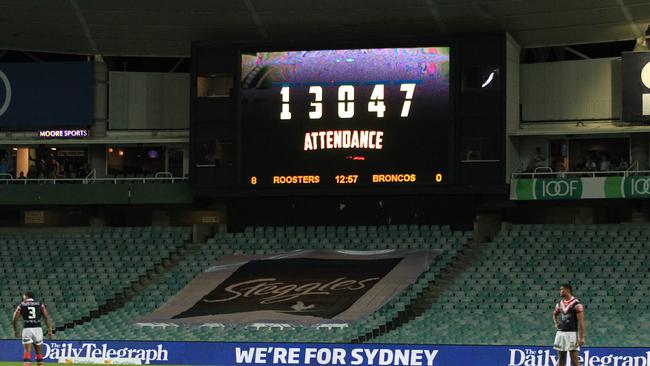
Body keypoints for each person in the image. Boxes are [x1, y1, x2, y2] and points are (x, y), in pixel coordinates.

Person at [12, 291, 53, 366]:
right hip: (37, 329)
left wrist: (15, 330)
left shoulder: (22, 305)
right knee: (39, 352)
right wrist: (49, 330)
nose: (23, 298)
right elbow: (46, 317)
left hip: (27, 329)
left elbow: (15, 318)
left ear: (27, 297)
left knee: (27, 351)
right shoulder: (40, 304)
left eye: (24, 297)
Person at [552, 284, 585, 366]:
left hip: (572, 333)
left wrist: (581, 338)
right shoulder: (559, 304)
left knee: (574, 359)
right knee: (561, 359)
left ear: (567, 290)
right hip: (561, 333)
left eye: (562, 290)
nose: (560, 291)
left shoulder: (577, 304)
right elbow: (554, 314)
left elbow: (581, 321)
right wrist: (556, 323)